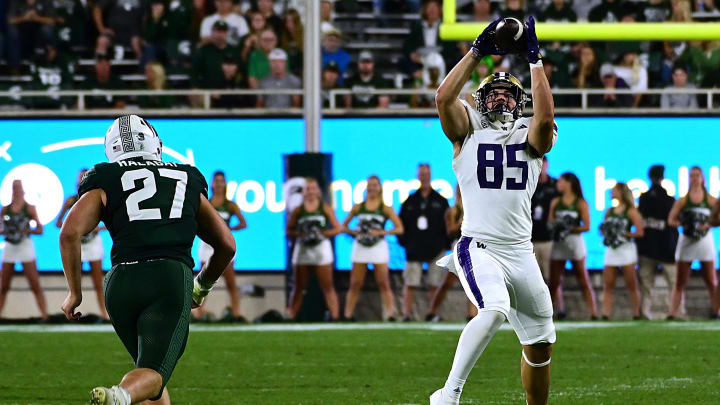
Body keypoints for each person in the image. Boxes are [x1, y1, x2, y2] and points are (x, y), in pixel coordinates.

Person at [59, 114, 236, 405]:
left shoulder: (104, 175)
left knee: (149, 373)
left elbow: (69, 233)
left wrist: (74, 293)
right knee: (153, 374)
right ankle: (120, 396)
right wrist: (201, 287)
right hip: (168, 278)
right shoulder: (186, 176)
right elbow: (226, 245)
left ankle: (126, 394)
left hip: (120, 285)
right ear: (155, 143)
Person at [431, 17, 556, 405]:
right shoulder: (467, 129)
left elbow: (545, 121)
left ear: (520, 102)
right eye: (494, 93)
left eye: (508, 93)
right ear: (482, 100)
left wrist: (535, 60)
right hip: (480, 245)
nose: (501, 98)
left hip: (521, 252)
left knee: (540, 344)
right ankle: (448, 394)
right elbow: (442, 98)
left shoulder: (529, 132)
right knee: (494, 308)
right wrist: (476, 51)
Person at [341, 175, 403, 321]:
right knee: (355, 283)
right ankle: (348, 314)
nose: (372, 188)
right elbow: (343, 226)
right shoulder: (358, 207)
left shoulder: (385, 208)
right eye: (370, 185)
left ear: (379, 188)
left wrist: (382, 232)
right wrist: (354, 232)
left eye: (375, 185)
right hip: (361, 246)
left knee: (383, 282)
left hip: (378, 246)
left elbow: (399, 228)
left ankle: (390, 314)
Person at [193, 171, 247, 322]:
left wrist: (229, 229)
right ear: (212, 184)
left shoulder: (230, 205)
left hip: (223, 244)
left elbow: (243, 223)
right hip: (206, 245)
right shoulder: (206, 202)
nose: (218, 184)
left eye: (221, 181)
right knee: (203, 280)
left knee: (231, 281)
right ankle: (200, 313)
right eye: (216, 181)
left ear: (225, 184)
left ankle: (236, 313)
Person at [285, 178, 342, 321]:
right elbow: (288, 231)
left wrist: (321, 234)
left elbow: (338, 228)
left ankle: (335, 317)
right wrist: (302, 235)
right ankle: (291, 316)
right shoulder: (298, 210)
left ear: (318, 191)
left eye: (313, 188)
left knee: (327, 286)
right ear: (303, 192)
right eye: (307, 189)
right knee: (299, 287)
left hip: (321, 249)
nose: (310, 191)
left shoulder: (325, 208)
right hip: (303, 249)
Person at [398, 163, 449, 322]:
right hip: (414, 248)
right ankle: (406, 314)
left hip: (435, 248)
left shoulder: (441, 201)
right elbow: (401, 225)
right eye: (422, 174)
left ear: (431, 175)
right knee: (410, 282)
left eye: (427, 174)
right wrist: (406, 244)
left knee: (435, 283)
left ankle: (433, 313)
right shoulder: (410, 202)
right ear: (418, 176)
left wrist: (444, 245)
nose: (424, 176)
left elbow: (446, 224)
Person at [56, 169, 109, 321]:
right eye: (80, 177)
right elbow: (59, 222)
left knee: (98, 281)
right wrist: (74, 229)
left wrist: (96, 228)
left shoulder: (97, 198)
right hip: (77, 242)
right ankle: (71, 312)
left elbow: (110, 221)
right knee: (73, 280)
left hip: (93, 243)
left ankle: (104, 314)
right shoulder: (71, 200)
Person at [667, 166, 718, 319]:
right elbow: (671, 219)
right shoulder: (683, 200)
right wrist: (683, 224)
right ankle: (673, 312)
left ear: (703, 178)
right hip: (687, 240)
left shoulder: (711, 200)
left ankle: (716, 310)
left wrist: (707, 225)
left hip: (704, 240)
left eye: (697, 175)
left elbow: (716, 219)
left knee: (710, 279)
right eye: (691, 176)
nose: (694, 178)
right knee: (680, 280)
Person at [548, 172, 598, 320]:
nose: (558, 185)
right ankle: (547, 313)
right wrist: (557, 226)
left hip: (575, 243)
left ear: (568, 183)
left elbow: (587, 226)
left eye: (561, 182)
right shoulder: (556, 201)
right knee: (554, 281)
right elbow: (550, 221)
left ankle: (593, 312)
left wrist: (569, 228)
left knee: (583, 278)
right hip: (559, 243)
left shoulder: (581, 203)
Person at [425, 185, 477, 322]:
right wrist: (461, 223)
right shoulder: (454, 211)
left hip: (474, 247)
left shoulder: (475, 208)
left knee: (472, 282)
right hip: (459, 246)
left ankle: (472, 313)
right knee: (447, 282)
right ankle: (432, 310)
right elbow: (450, 232)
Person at [0, 180, 48, 321]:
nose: (17, 191)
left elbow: (40, 229)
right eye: (15, 188)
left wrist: (26, 230)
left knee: (34, 283)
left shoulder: (29, 208)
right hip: (10, 247)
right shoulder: (5, 209)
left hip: (25, 246)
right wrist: (7, 231)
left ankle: (44, 315)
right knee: (4, 285)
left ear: (23, 190)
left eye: (19, 188)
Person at [636, 165, 680, 319]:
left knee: (647, 283)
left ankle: (646, 312)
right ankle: (675, 312)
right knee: (672, 282)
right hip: (665, 248)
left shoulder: (643, 198)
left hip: (648, 247)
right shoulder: (668, 200)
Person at [600, 183, 644, 320]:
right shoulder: (609, 211)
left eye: (614, 190)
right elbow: (603, 228)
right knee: (608, 284)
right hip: (612, 249)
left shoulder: (631, 211)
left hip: (626, 249)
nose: (611, 192)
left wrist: (624, 234)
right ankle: (605, 313)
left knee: (631, 283)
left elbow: (639, 231)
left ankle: (636, 313)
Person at [531, 156, 558, 284]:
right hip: (530, 236)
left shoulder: (555, 185)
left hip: (548, 237)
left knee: (551, 276)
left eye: (543, 164)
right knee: (533, 277)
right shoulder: (528, 183)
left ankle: (556, 303)